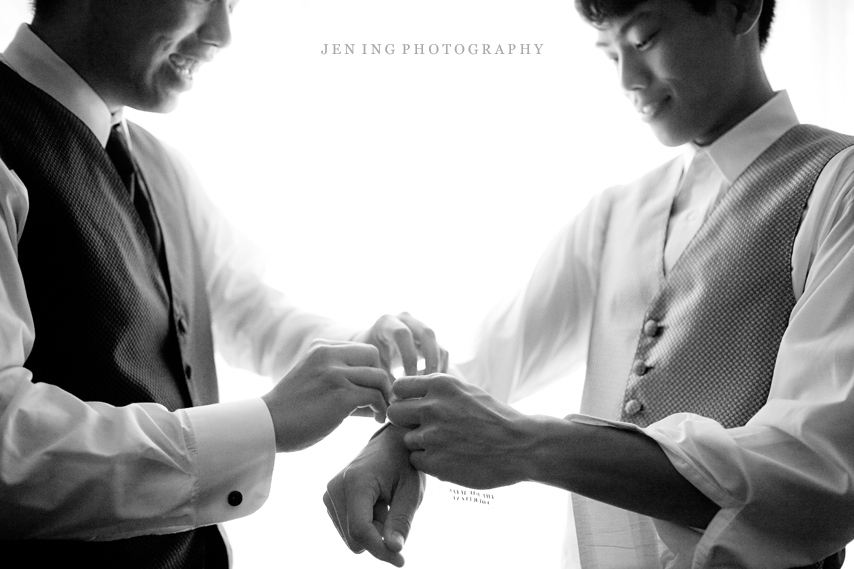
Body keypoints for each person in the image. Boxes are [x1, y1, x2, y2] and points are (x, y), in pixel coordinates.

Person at [324, 0, 854, 567]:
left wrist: (532, 446)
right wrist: (391, 443)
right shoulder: (612, 215)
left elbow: (821, 469)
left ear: (739, 7)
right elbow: (490, 364)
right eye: (610, 52)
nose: (627, 78)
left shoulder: (838, 186)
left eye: (646, 39)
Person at [0, 0, 448, 567]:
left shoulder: (159, 166)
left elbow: (246, 310)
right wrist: (264, 424)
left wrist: (364, 346)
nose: (223, 33)